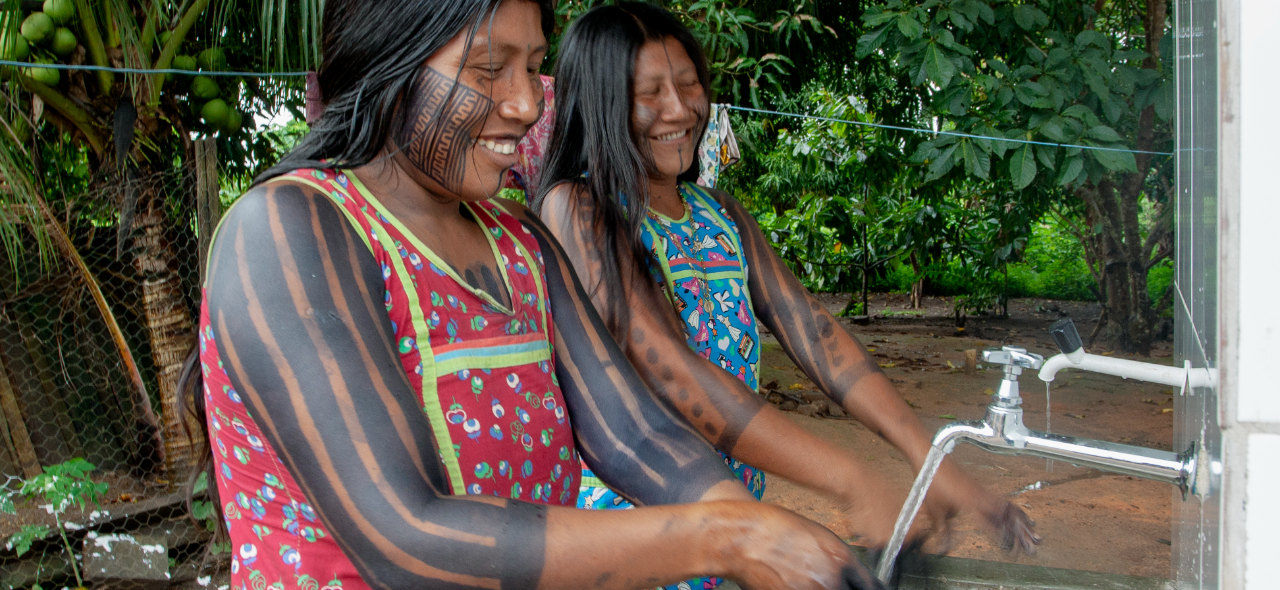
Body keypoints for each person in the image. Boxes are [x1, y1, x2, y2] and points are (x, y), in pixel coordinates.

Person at [191, 0, 888, 589]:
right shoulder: (288, 232)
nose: (528, 104)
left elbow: (633, 432)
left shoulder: (517, 238)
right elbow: (404, 536)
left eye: (531, 66)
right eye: (489, 70)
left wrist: (761, 528)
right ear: (390, 66)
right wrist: (726, 538)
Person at [533, 1, 1041, 564]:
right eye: (649, 92)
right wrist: (852, 479)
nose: (679, 108)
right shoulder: (576, 209)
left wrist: (929, 458)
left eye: (689, 82)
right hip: (633, 540)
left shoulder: (720, 214)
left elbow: (817, 336)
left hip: (731, 526)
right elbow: (676, 377)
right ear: (601, 104)